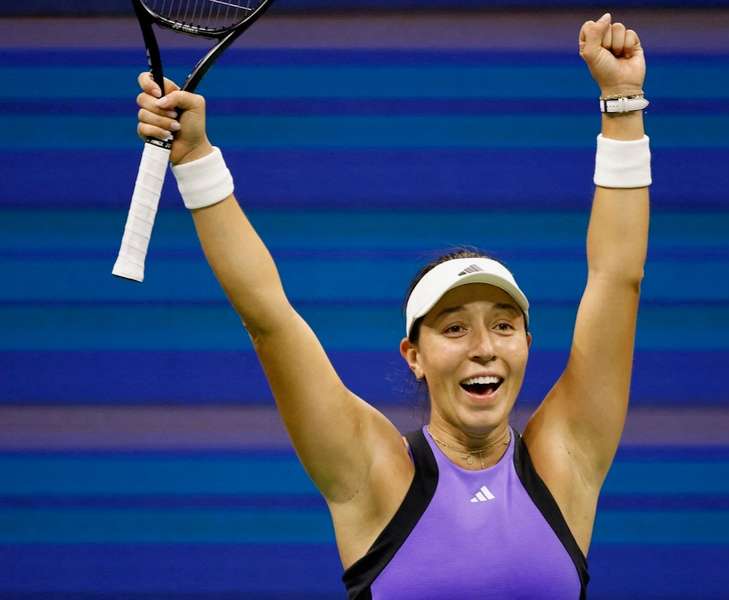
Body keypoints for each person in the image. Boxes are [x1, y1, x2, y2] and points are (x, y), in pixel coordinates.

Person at [135, 11, 649, 599]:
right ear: (415, 355)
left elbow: (617, 280)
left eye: (503, 326)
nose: (484, 349)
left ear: (527, 345)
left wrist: (622, 102)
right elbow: (268, 317)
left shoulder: (568, 457)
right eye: (454, 329)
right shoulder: (371, 471)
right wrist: (196, 157)